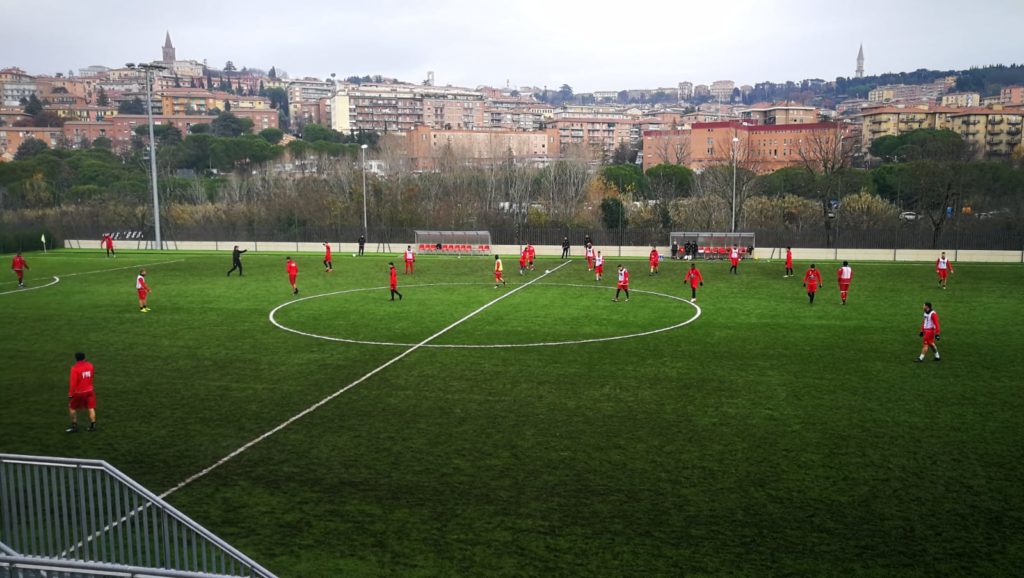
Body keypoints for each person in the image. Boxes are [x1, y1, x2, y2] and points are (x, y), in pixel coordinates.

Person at [66, 352, 96, 433]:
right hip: (90, 390)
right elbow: (92, 376)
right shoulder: (90, 365)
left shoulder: (74, 368)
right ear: (84, 357)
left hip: (80, 392)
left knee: (72, 407)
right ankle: (93, 426)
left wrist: (71, 394)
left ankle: (74, 426)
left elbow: (73, 383)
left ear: (76, 358)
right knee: (91, 407)